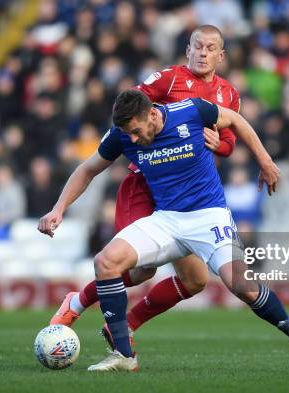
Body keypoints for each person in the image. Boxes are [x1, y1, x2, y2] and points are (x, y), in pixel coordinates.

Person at [38, 90, 289, 373]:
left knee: (241, 285)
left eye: (137, 131)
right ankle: (124, 356)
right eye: (128, 134)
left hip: (209, 216)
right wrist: (58, 208)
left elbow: (236, 120)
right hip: (166, 219)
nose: (133, 139)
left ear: (152, 114)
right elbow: (87, 169)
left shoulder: (192, 111)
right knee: (106, 262)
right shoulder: (122, 135)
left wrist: (265, 161)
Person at [51, 25, 242, 339]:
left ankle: (126, 326)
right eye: (197, 46)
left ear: (221, 56)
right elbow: (130, 107)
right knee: (139, 270)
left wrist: (218, 144)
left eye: (210, 48)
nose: (203, 53)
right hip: (144, 184)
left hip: (183, 195)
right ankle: (78, 302)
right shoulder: (168, 79)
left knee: (195, 281)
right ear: (188, 50)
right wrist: (114, 143)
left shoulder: (229, 95)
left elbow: (230, 142)